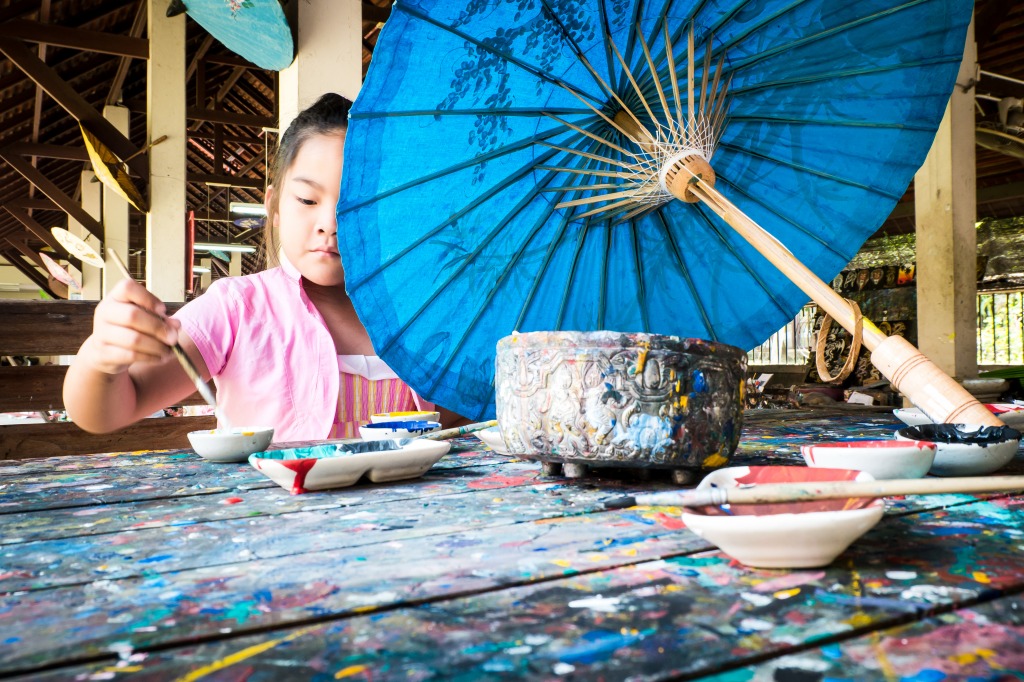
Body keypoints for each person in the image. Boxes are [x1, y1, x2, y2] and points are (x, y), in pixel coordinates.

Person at [64, 93, 464, 440]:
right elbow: (108, 410)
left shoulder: (423, 313)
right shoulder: (236, 309)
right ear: (273, 206)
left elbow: (458, 423)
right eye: (308, 200)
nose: (330, 224)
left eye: (356, 207)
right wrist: (101, 357)